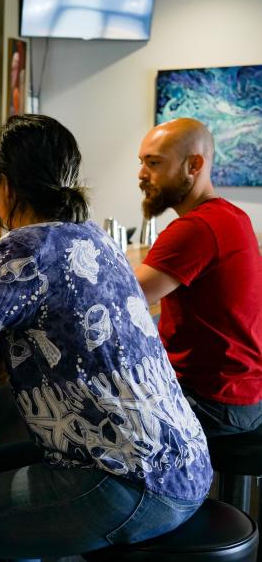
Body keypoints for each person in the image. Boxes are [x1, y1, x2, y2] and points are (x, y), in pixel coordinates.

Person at [0, 115, 211, 561]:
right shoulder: (94, 237)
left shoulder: (28, 244)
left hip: (128, 482)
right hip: (184, 465)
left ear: (5, 187)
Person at [135, 117, 262, 437]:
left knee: (91, 419)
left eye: (154, 163)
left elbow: (121, 299)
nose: (141, 175)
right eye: (142, 163)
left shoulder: (196, 229)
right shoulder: (233, 216)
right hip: (246, 394)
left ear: (194, 165)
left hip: (215, 402)